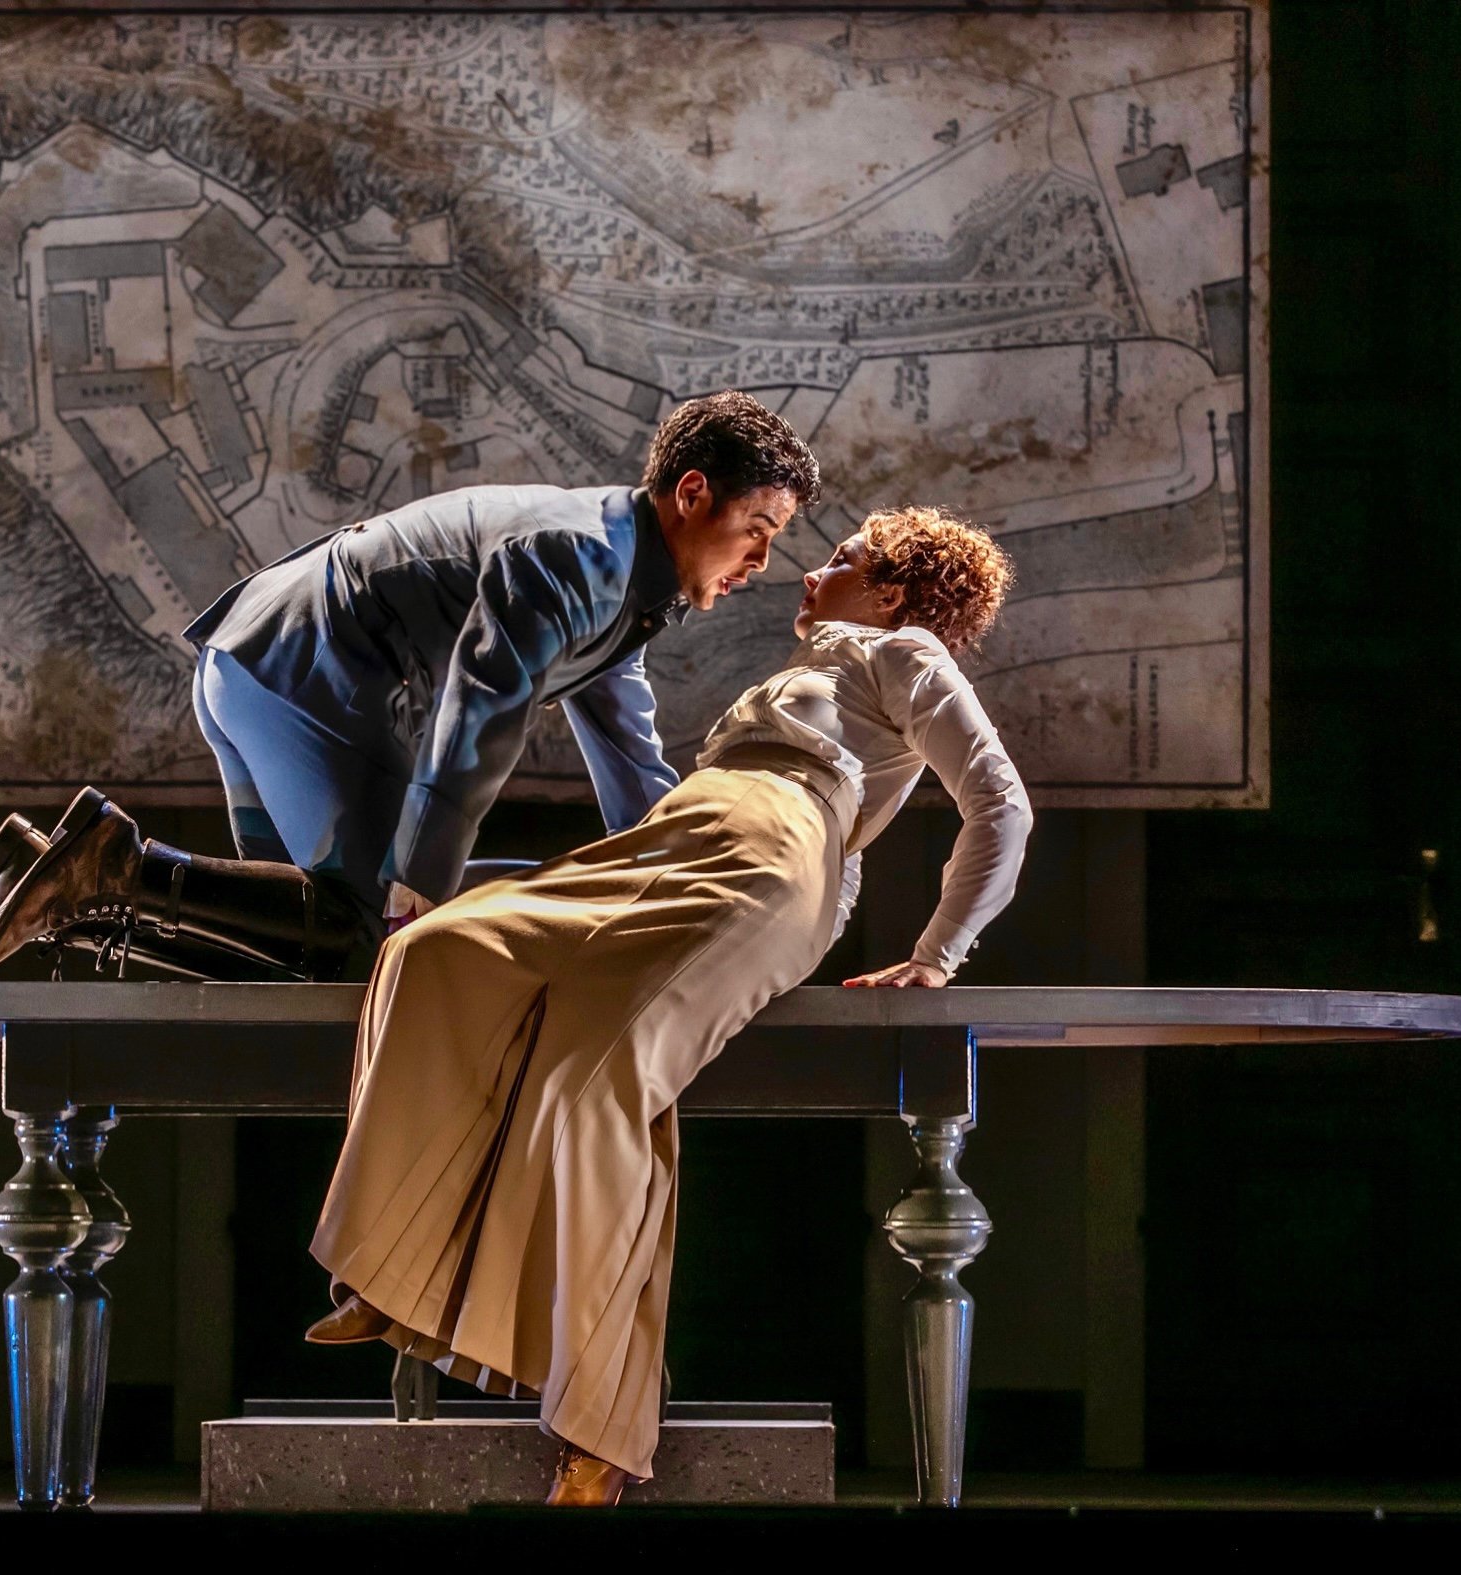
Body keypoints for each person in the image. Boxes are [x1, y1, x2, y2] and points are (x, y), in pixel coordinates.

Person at [302, 506, 1034, 1505]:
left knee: (597, 1086)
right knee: (433, 954)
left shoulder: (899, 650)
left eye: (845, 558)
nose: (813, 569)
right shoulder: (814, 666)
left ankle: (600, 1428)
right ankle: (393, 1275)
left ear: (895, 591)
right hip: (675, 837)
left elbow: (998, 799)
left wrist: (937, 954)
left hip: (771, 856)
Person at [0, 389, 821, 980]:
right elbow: (481, 710)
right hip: (304, 673)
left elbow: (632, 766)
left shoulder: (627, 592)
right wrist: (421, 882)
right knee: (364, 941)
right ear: (694, 492)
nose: (763, 559)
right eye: (759, 526)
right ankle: (110, 860)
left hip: (263, 661)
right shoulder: (582, 557)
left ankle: (37, 878)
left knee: (278, 949)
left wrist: (688, 872)